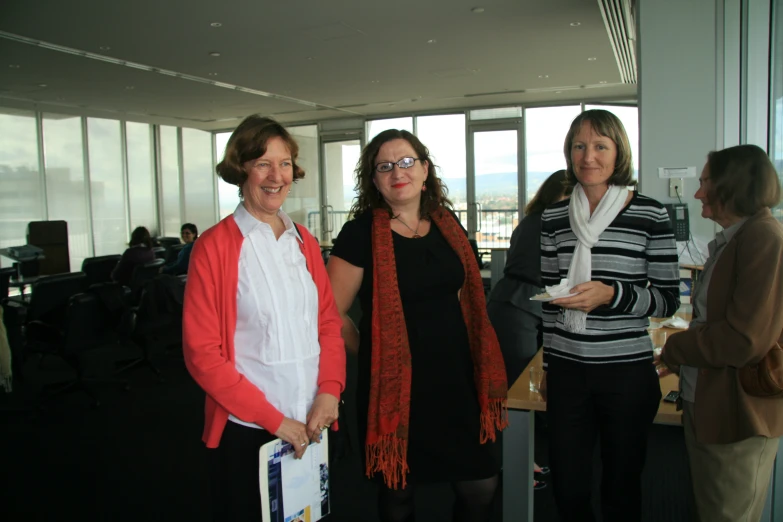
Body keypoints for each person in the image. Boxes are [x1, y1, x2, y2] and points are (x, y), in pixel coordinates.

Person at [326, 129, 508, 522]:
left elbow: (466, 296)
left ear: (425, 170)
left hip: (458, 379)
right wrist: (373, 349)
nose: (398, 172)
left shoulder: (447, 225)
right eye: (385, 166)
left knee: (481, 486)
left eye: (407, 162)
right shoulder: (359, 235)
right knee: (399, 493)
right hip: (396, 386)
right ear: (374, 180)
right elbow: (330, 314)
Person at [182, 115, 346, 521]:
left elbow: (327, 324)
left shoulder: (303, 241)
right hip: (251, 432)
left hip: (313, 421)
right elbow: (203, 354)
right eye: (263, 163)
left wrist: (329, 391)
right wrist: (275, 421)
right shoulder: (213, 247)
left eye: (285, 163)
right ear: (242, 170)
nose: (277, 176)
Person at [540, 109, 680, 522]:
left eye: (600, 146)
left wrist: (612, 294)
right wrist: (548, 365)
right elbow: (551, 303)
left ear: (618, 153)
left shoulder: (651, 214)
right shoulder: (552, 218)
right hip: (567, 369)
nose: (588, 157)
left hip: (626, 372)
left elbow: (667, 300)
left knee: (621, 484)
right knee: (568, 486)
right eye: (579, 146)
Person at [660, 144, 783, 522]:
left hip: (737, 414)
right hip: (712, 406)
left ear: (732, 185)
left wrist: (677, 349)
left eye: (705, 183)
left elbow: (743, 340)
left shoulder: (764, 239)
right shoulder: (735, 239)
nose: (697, 193)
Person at [488, 170, 572, 385]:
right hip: (518, 306)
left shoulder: (534, 220)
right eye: (568, 197)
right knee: (521, 382)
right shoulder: (548, 222)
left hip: (518, 301)